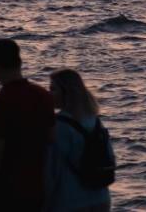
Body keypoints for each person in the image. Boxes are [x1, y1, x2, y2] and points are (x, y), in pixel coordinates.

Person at [0, 38, 56, 212]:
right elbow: (51, 137)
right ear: (19, 62)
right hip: (37, 184)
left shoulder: (2, 100)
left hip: (7, 187)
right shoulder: (42, 94)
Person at [44, 68, 114, 212]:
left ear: (66, 93)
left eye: (53, 89)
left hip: (70, 201)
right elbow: (111, 159)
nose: (48, 94)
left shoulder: (59, 127)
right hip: (101, 199)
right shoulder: (96, 122)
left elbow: (51, 173)